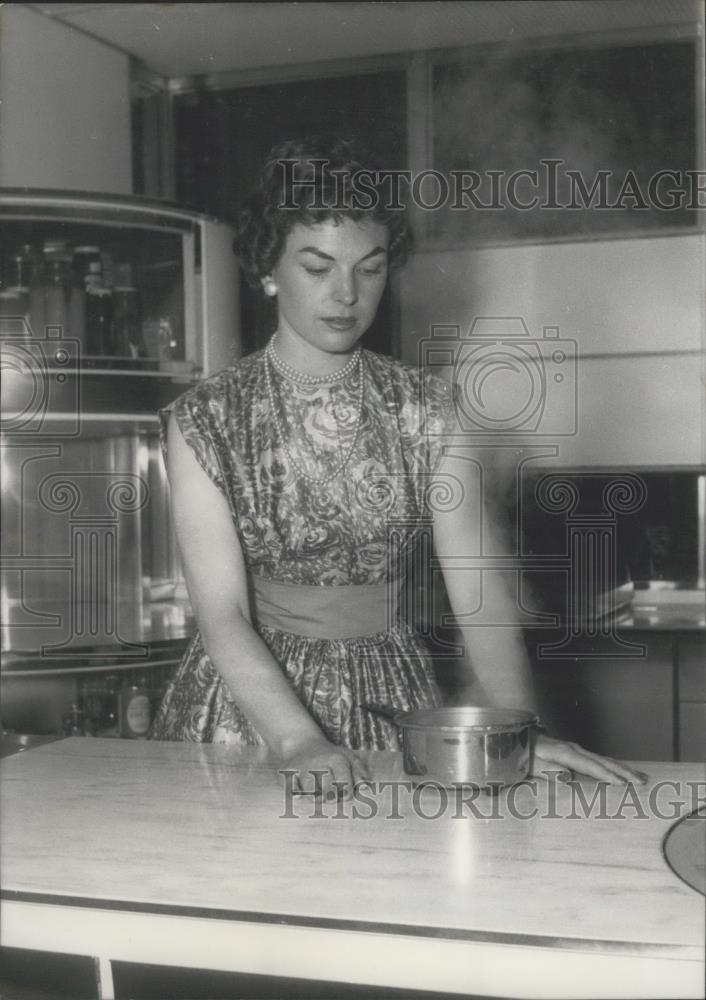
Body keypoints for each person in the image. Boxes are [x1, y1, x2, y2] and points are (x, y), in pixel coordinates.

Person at [149, 136, 644, 795]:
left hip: (389, 698)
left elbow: (479, 595)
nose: (346, 293)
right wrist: (299, 740)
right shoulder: (205, 418)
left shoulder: (430, 409)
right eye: (317, 267)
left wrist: (520, 731)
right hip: (248, 713)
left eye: (369, 268)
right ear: (269, 266)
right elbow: (223, 614)